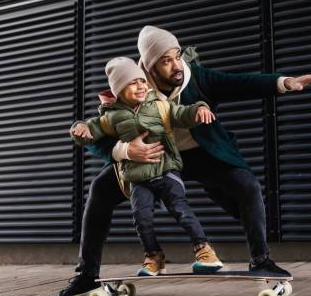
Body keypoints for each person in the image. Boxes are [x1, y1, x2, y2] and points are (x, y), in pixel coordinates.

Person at [56, 25, 311, 296]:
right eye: (166, 61)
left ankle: (261, 260)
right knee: (100, 190)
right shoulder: (131, 84)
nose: (177, 65)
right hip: (152, 156)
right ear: (150, 67)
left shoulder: (194, 77)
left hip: (199, 152)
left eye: (177, 56)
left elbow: (238, 82)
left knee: (247, 186)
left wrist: (283, 83)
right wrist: (124, 150)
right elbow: (95, 131)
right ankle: (87, 276)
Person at [70, 57, 223, 276]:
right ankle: (153, 257)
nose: (141, 86)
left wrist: (199, 109)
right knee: (141, 219)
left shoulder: (159, 105)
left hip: (166, 169)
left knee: (180, 209)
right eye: (133, 83)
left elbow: (181, 113)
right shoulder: (110, 117)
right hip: (136, 177)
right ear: (119, 89)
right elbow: (91, 132)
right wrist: (80, 128)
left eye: (143, 81)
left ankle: (205, 251)